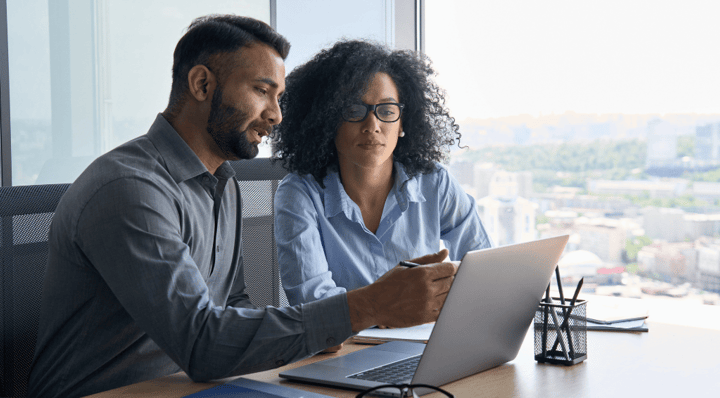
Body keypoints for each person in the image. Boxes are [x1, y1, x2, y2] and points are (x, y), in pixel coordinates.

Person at [27, 15, 456, 397]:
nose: (276, 115)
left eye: (279, 96)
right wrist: (366, 306)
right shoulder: (130, 189)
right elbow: (201, 344)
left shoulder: (223, 183)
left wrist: (318, 328)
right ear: (201, 85)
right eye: (261, 91)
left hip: (198, 386)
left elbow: (233, 305)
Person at [271, 40, 491, 313]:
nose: (372, 125)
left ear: (402, 124)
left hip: (424, 341)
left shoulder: (435, 182)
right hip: (345, 349)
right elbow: (314, 306)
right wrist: (392, 308)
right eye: (353, 111)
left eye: (387, 111)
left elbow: (483, 270)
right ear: (327, 121)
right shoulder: (299, 194)